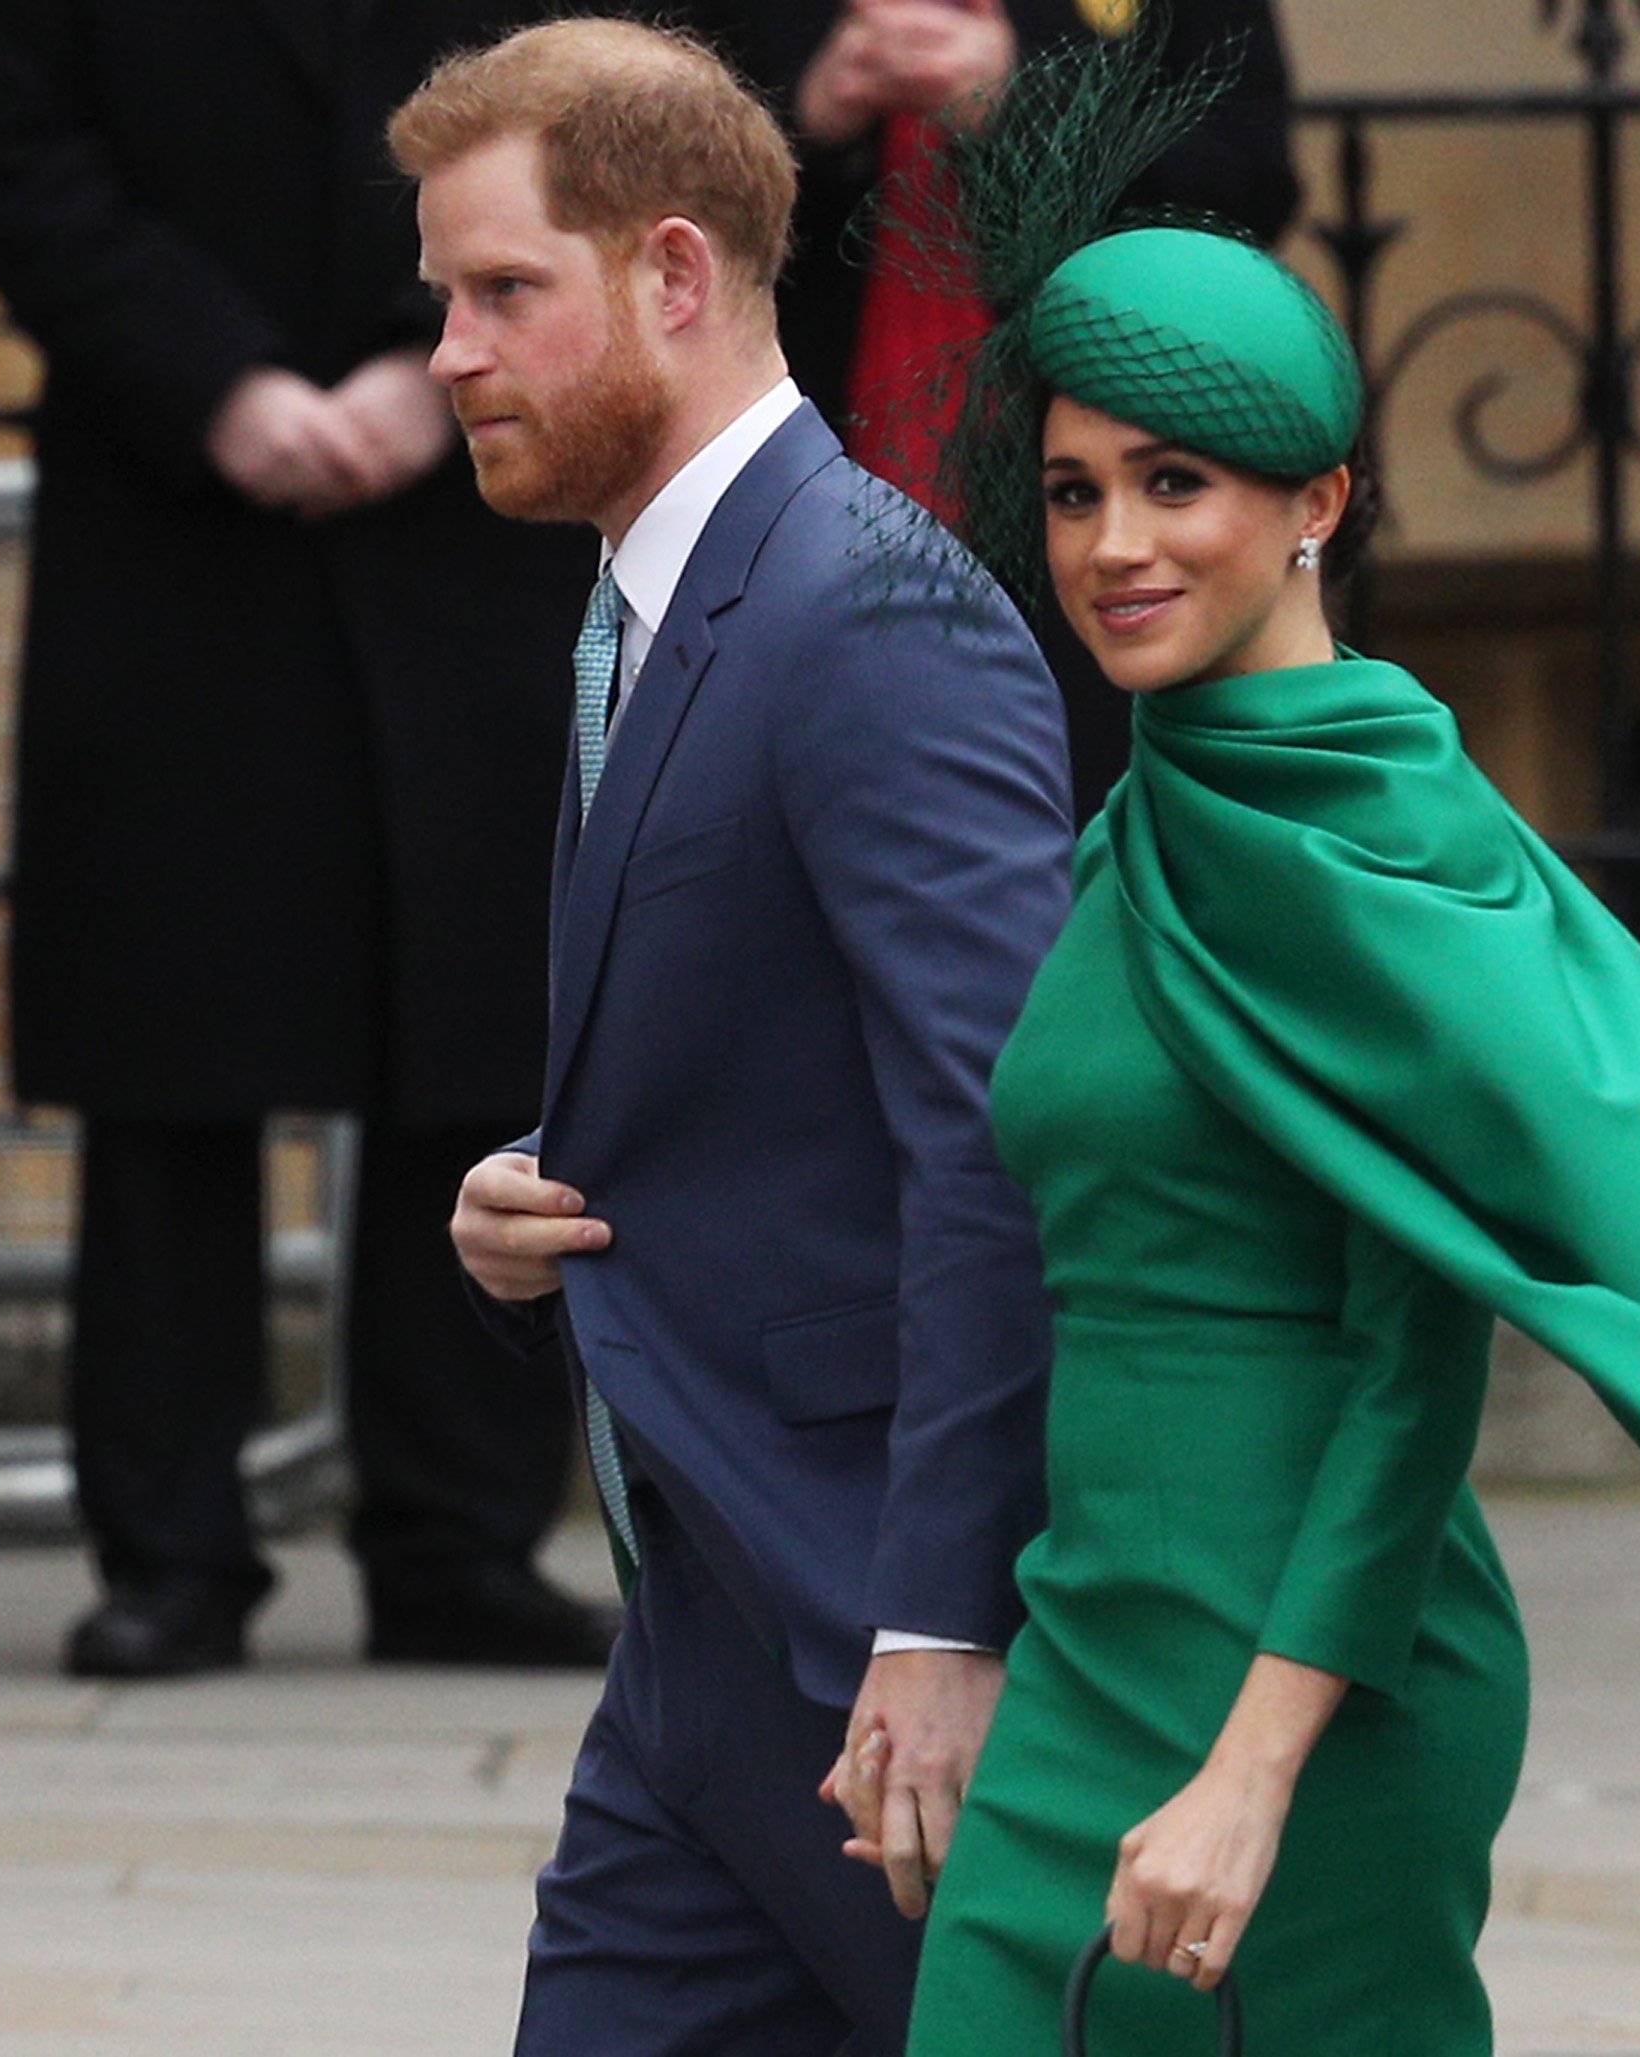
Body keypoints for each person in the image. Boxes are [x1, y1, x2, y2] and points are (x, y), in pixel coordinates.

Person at [893, 43, 1640, 2054]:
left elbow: (1415, 1359)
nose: (1114, 542)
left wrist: (1256, 1768)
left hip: (1307, 1700)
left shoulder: (1385, 848)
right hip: (1087, 1651)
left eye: (1175, 482)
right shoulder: (1142, 818)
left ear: (1320, 502)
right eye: (1073, 488)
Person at [393, 19, 1071, 2050]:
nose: (447, 351)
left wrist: (945, 1620)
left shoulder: (868, 608)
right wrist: (534, 1219)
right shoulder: (660, 601)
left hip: (864, 1639)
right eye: (441, 296)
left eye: (503, 290)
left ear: (672, 274)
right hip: (698, 1639)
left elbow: (998, 1134)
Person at [0, 0, 615, 1678]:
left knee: (473, 1031)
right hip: (176, 518)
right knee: (172, 1054)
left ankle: (459, 1534)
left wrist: (433, 357)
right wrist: (217, 383)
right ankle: (169, 1545)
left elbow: (591, 113)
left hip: (466, 501)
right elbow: (27, 159)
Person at [688, 0, 1299, 812]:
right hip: (787, 508)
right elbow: (645, 208)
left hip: (1090, 510)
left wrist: (1030, 98)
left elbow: (1248, 183)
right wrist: (804, 123)